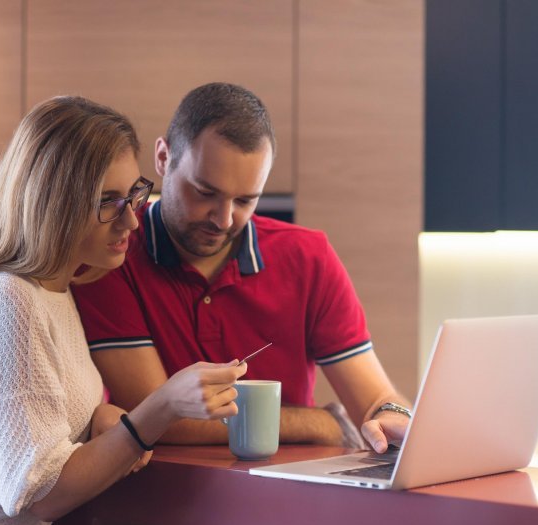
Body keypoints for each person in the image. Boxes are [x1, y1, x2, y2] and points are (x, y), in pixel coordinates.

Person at [0, 96, 247, 525]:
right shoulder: (10, 303)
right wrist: (159, 408)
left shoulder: (55, 292)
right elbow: (41, 493)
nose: (132, 223)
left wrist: (98, 421)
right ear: (53, 201)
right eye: (108, 201)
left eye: (133, 195)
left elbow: (34, 434)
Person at [72, 82, 411, 454]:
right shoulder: (111, 255)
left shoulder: (308, 257)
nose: (223, 218)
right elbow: (153, 415)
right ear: (164, 158)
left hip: (290, 498)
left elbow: (375, 397)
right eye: (205, 192)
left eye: (246, 200)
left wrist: (392, 415)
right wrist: (319, 422)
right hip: (160, 502)